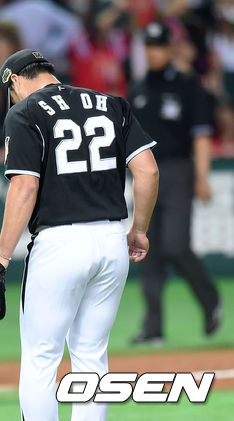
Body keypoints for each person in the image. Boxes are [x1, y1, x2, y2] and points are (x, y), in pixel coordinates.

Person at [0, 49, 159, 420]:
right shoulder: (111, 104)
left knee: (41, 358)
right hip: (111, 240)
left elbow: (25, 186)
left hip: (59, 245)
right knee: (91, 356)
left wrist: (1, 257)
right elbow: (148, 171)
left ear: (15, 80)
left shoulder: (25, 112)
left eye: (10, 92)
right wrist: (139, 230)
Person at [129, 21, 222, 344]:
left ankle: (211, 301)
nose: (154, 52)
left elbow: (201, 134)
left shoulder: (188, 86)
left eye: (159, 46)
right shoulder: (138, 89)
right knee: (146, 249)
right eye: (149, 46)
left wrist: (202, 176)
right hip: (145, 175)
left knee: (175, 245)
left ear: (170, 48)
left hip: (178, 171)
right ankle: (153, 329)